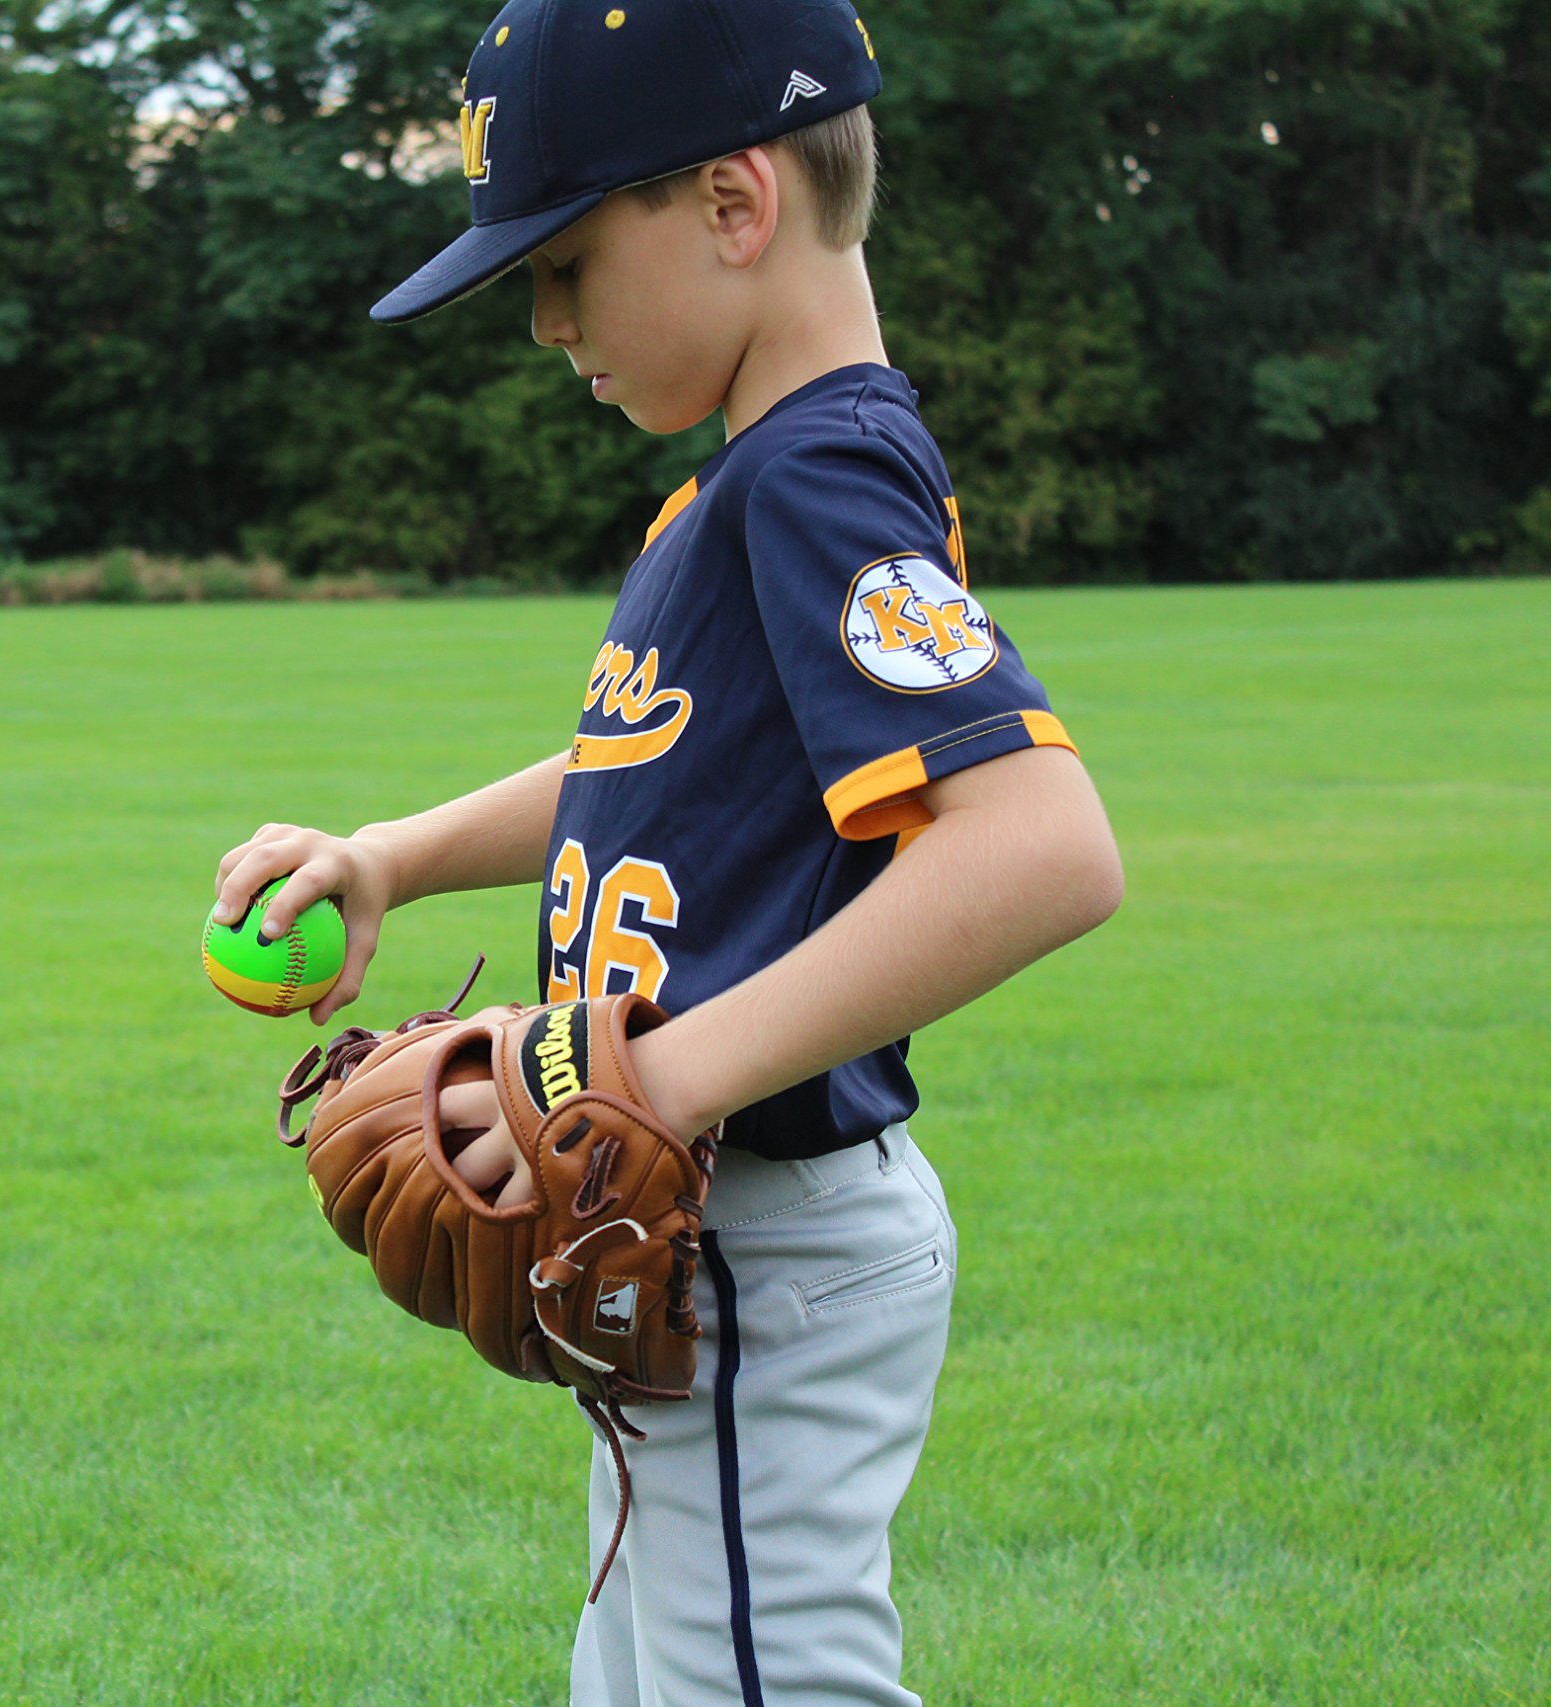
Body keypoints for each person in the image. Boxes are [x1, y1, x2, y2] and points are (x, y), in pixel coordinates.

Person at [210, 0, 1125, 1701]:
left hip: (755, 1238)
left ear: (730, 203)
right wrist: (397, 858)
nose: (547, 324)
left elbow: (1042, 849)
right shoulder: (746, 489)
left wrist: (659, 1083)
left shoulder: (814, 480)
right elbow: (650, 770)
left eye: (562, 263)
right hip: (686, 1235)